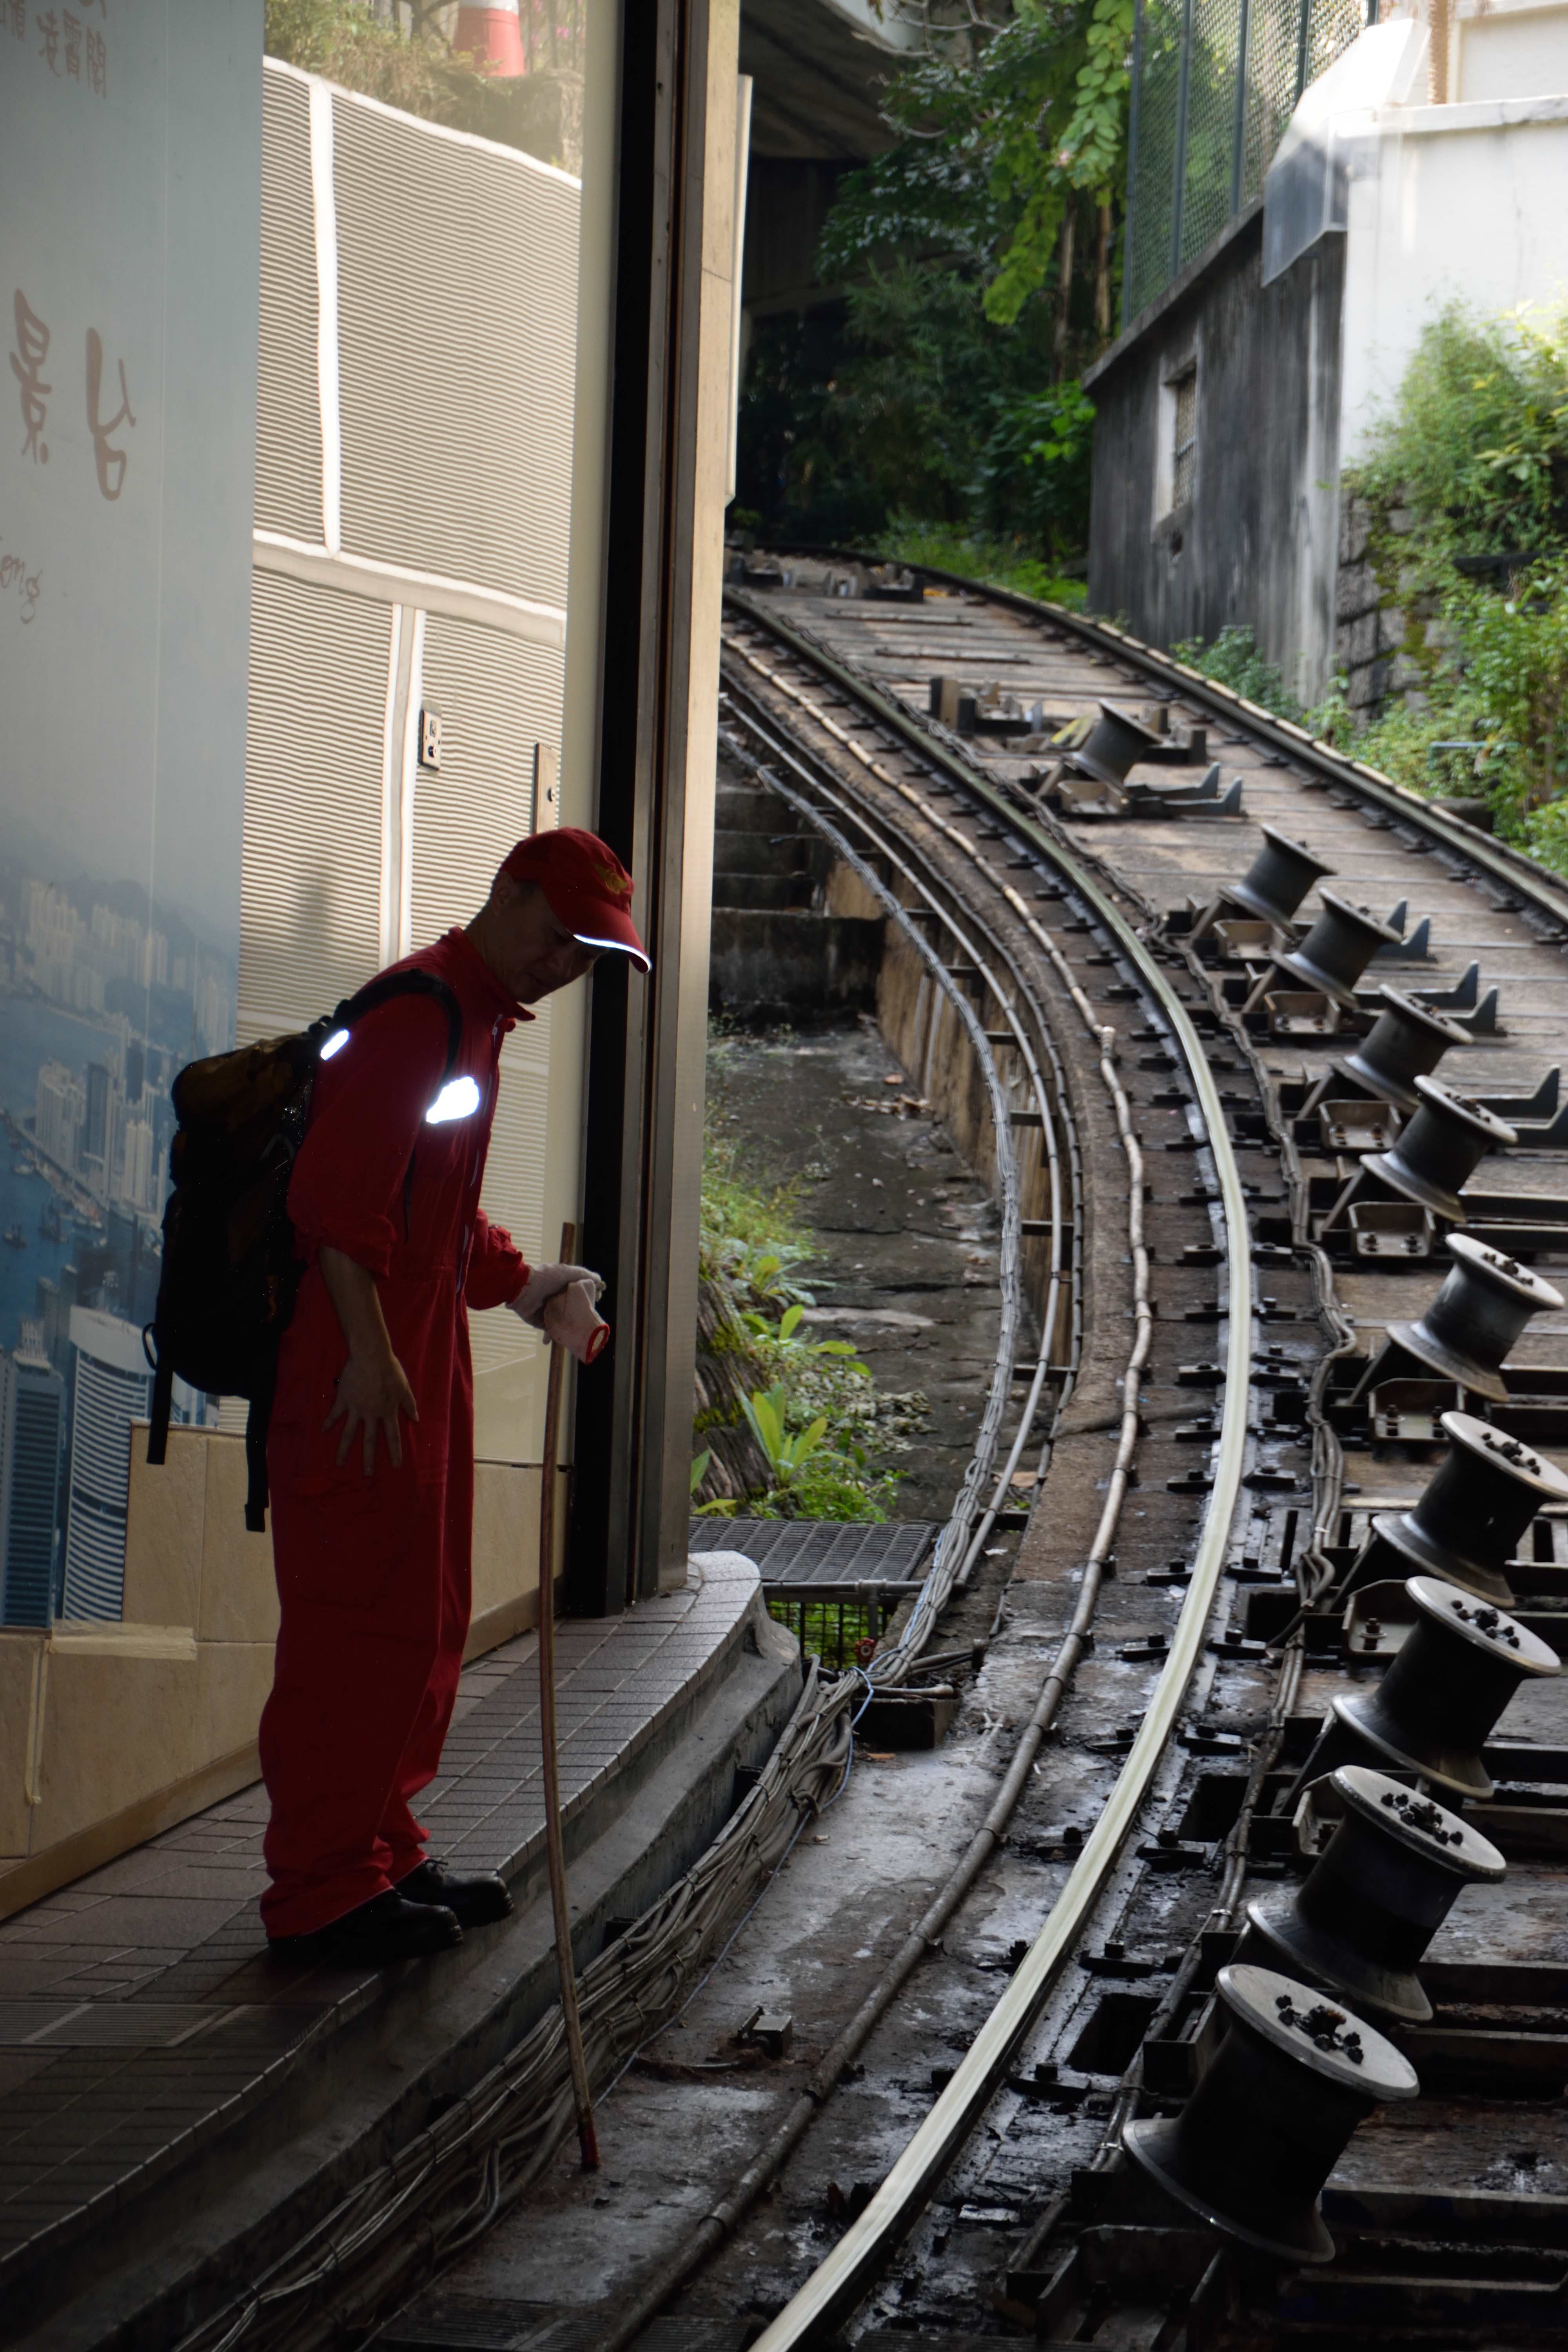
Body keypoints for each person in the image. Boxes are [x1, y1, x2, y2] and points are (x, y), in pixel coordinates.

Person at [259, 828, 649, 1966]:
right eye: (560, 937)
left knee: (423, 1618)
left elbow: (436, 1214)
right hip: (361, 1365)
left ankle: (381, 1852)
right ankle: (321, 1892)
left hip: (412, 1350)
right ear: (507, 894)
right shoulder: (417, 1014)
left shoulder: (473, 1021)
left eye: (588, 957)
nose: (565, 967)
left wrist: (531, 1289)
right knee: (355, 1627)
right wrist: (370, 1360)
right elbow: (337, 1208)